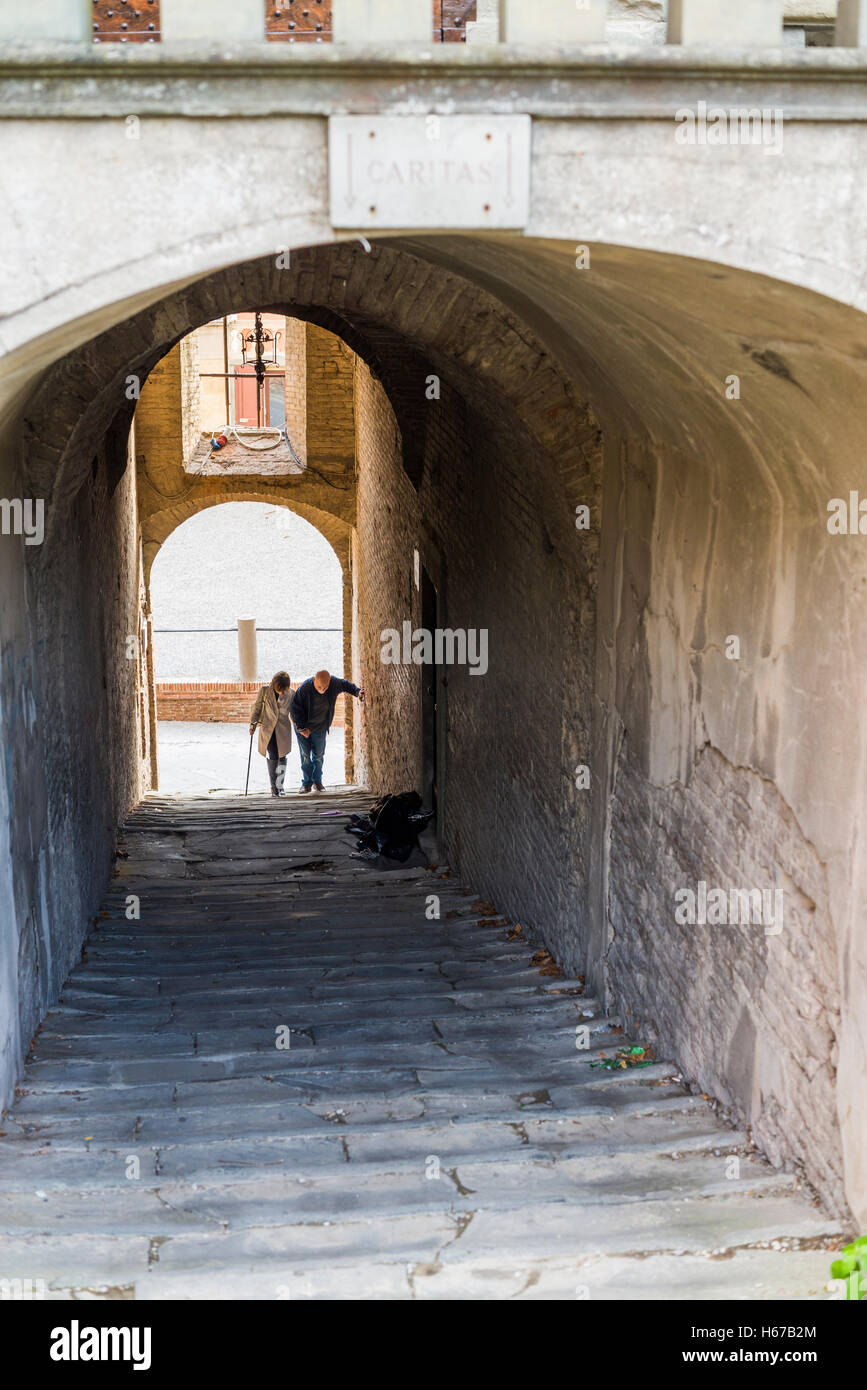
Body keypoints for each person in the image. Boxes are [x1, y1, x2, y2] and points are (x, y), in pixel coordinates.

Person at [290, 669, 364, 794]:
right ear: (314, 680)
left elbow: (345, 684)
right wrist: (302, 728)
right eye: (320, 687)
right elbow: (294, 708)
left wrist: (357, 692)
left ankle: (318, 783)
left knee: (318, 756)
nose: (323, 689)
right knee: (305, 756)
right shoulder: (305, 688)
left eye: (326, 687)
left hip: (320, 728)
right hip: (303, 728)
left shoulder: (334, 683)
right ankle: (306, 784)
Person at [249, 672, 293, 797]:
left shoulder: (291, 694)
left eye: (283, 690)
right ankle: (273, 787)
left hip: (283, 729)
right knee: (273, 755)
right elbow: (257, 708)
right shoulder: (264, 691)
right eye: (278, 689)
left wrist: (300, 726)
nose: (281, 692)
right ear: (273, 684)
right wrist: (252, 724)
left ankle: (280, 785)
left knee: (282, 757)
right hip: (268, 729)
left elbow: (295, 711)